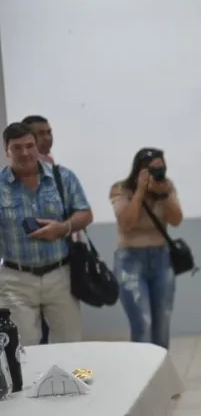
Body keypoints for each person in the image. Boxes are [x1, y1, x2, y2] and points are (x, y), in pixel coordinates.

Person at [0, 123, 93, 345]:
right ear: (6, 150)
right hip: (16, 279)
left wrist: (62, 228)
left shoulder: (63, 177)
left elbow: (86, 213)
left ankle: (74, 380)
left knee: (70, 342)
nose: (25, 153)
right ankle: (33, 382)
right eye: (17, 148)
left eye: (30, 146)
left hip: (59, 275)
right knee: (24, 347)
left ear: (37, 147)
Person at [109, 148, 184, 349]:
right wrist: (141, 191)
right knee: (143, 323)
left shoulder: (166, 187)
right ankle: (143, 374)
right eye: (153, 169)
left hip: (161, 258)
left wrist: (164, 194)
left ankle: (160, 375)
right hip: (130, 261)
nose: (158, 173)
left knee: (162, 324)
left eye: (162, 168)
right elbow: (126, 223)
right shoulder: (121, 189)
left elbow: (176, 220)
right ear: (140, 170)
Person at [22, 114, 67, 344]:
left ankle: (69, 377)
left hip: (59, 265)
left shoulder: (54, 168)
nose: (48, 137)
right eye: (41, 133)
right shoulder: (20, 175)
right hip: (29, 269)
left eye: (49, 132)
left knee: (63, 336)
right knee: (35, 340)